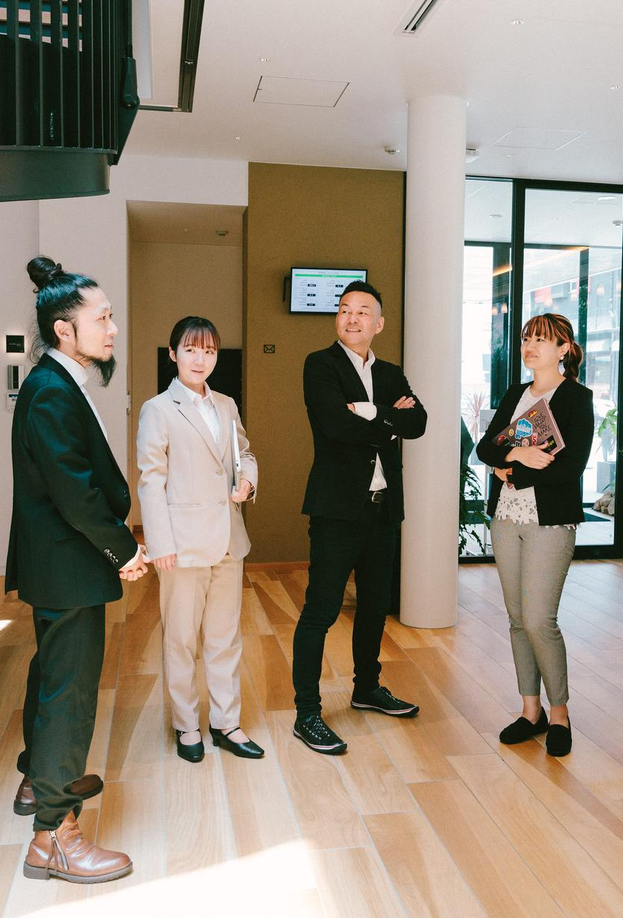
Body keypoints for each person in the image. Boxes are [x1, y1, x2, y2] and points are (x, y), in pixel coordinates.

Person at [6, 255, 147, 884]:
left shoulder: (55, 382)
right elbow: (74, 490)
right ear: (65, 330)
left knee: (52, 678)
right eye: (103, 319)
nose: (113, 329)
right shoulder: (51, 392)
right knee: (70, 693)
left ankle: (41, 781)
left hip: (60, 562)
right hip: (68, 561)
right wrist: (125, 549)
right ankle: (54, 837)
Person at [291, 280, 428, 755]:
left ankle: (366, 688)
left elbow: (419, 423)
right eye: (345, 309)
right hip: (337, 510)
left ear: (379, 324)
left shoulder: (390, 373)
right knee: (321, 611)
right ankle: (307, 712)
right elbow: (334, 424)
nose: (352, 318)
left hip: (383, 509)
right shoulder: (320, 365)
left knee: (374, 607)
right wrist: (390, 421)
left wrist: (370, 411)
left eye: (362, 311)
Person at [136, 316, 263, 763]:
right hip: (182, 544)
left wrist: (248, 481)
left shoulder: (226, 404)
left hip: (229, 537)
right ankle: (186, 725)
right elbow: (151, 479)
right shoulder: (158, 409)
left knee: (225, 638)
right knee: (181, 639)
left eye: (208, 351)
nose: (200, 359)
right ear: (173, 354)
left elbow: (244, 453)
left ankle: (227, 723)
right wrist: (160, 543)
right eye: (190, 350)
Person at [477, 313, 594, 758]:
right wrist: (517, 454)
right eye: (527, 338)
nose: (529, 345)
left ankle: (559, 713)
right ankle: (531, 711)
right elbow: (485, 448)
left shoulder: (577, 398)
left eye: (541, 339)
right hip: (506, 518)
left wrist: (511, 470)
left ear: (564, 349)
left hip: (550, 521)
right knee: (515, 619)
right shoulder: (515, 394)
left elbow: (572, 466)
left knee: (539, 621)